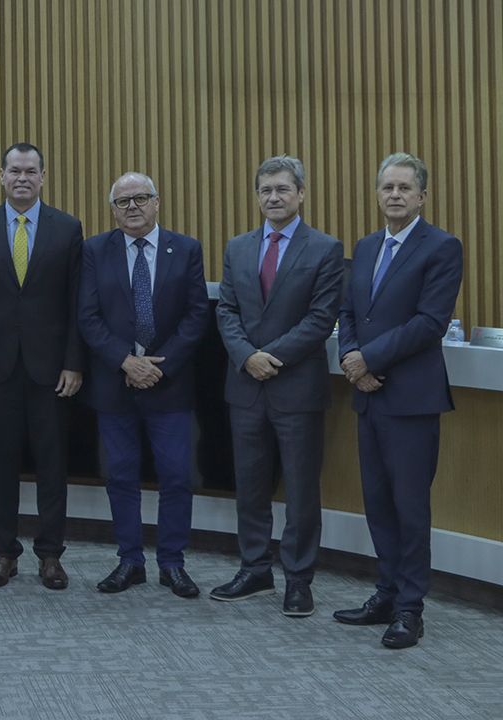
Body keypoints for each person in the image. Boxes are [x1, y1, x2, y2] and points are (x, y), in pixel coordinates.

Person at [334, 153, 463, 649]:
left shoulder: (442, 247)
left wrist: (367, 360)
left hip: (411, 399)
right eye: (387, 187)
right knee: (378, 506)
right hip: (368, 397)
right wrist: (351, 358)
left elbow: (430, 322)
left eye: (404, 187)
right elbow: (349, 311)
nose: (394, 195)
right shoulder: (366, 247)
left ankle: (410, 609)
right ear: (378, 194)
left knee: (410, 509)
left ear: (422, 196)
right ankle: (386, 595)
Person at [211, 156, 344, 617]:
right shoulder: (238, 247)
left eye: (283, 189)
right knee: (250, 487)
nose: (273, 197)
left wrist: (271, 356)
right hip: (246, 387)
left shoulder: (325, 249)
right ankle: (254, 570)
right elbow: (226, 310)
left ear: (301, 194)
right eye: (265, 190)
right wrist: (247, 356)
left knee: (302, 492)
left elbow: (321, 318)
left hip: (297, 389)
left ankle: (299, 580)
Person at [76, 172, 209, 598]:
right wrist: (125, 362)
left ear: (157, 202)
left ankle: (172, 563)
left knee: (176, 477)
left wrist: (159, 367)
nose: (132, 206)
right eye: (123, 201)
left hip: (169, 385)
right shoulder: (95, 250)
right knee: (120, 476)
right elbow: (88, 316)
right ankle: (130, 561)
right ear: (113, 209)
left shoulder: (186, 248)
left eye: (140, 198)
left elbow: (196, 315)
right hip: (115, 384)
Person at [0, 142, 84, 590]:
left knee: (52, 466)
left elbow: (77, 302)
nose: (23, 178)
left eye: (31, 171)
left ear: (43, 177)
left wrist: (74, 362)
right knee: (2, 465)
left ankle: (50, 555)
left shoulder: (68, 228)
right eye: (15, 170)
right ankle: (3, 554)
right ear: (1, 176)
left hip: (52, 371)